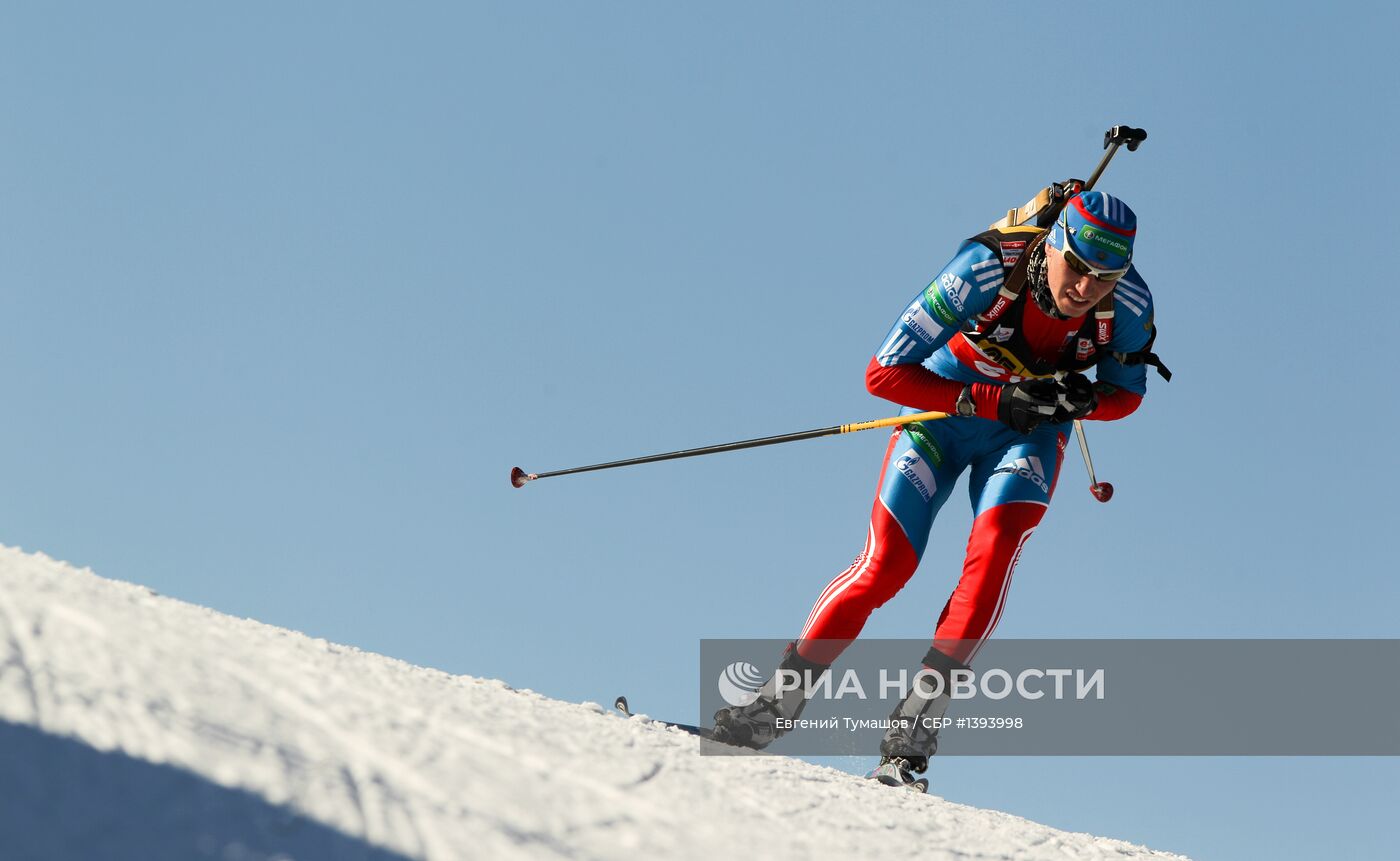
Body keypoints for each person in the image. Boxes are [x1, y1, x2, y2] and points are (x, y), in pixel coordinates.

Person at [710, 190, 1165, 786]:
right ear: (1053, 244)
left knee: (993, 553)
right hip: (945, 418)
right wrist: (994, 398)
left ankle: (912, 734)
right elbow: (882, 374)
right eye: (1076, 267)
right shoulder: (983, 270)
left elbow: (1126, 395)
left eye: (1103, 278)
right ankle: (772, 705)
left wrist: (1086, 399)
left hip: (1024, 436)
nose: (1085, 288)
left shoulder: (1128, 304)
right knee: (887, 566)